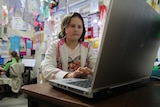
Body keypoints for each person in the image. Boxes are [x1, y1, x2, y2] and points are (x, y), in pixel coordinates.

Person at [41, 12, 97, 81]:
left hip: (81, 86)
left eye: (79, 27)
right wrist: (69, 75)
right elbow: (46, 69)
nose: (76, 29)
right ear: (65, 28)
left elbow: (96, 66)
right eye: (72, 26)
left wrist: (92, 71)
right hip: (60, 86)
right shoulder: (55, 46)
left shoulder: (87, 47)